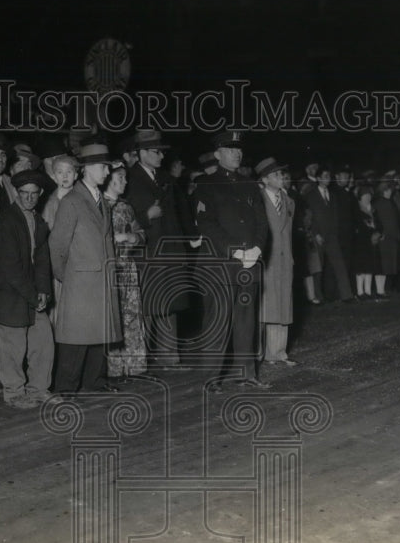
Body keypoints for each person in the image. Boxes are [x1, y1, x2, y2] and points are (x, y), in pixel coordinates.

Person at [192, 131, 270, 390]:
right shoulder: (205, 183)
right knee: (219, 320)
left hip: (250, 263)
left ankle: (246, 374)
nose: (237, 153)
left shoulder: (249, 184)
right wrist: (236, 251)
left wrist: (258, 249)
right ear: (217, 154)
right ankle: (211, 378)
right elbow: (207, 224)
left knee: (247, 319)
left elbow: (261, 222)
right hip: (222, 263)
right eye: (229, 148)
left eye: (239, 149)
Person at [49, 143, 122, 395]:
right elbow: (57, 245)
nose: (107, 172)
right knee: (75, 339)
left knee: (98, 333)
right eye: (103, 167)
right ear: (87, 169)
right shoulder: (72, 201)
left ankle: (95, 381)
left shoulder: (99, 200)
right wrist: (66, 276)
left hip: (101, 277)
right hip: (80, 280)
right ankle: (66, 388)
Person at [0, 170, 54, 409]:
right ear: (16, 193)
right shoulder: (7, 221)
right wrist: (35, 296)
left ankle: (39, 389)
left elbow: (43, 259)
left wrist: (44, 290)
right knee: (13, 347)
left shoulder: (38, 220)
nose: (29, 198)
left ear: (41, 194)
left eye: (34, 194)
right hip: (10, 294)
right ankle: (14, 393)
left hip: (31, 294)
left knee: (43, 341)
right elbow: (11, 268)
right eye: (24, 193)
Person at [124, 129, 190, 367]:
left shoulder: (166, 179)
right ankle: (144, 359)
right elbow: (121, 219)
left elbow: (178, 215)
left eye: (162, 152)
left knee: (170, 302)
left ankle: (170, 356)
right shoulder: (128, 179)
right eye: (155, 152)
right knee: (148, 304)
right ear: (140, 153)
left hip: (170, 250)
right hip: (147, 251)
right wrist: (145, 216)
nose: (161, 156)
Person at [104, 161, 148, 379]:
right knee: (110, 317)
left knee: (130, 315)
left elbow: (141, 233)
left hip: (127, 268)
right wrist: (115, 239)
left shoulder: (125, 206)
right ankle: (111, 369)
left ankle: (133, 366)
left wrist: (133, 237)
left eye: (125, 177)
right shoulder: (98, 205)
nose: (125, 181)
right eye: (120, 177)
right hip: (108, 269)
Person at [255, 157, 296, 366]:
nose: (281, 178)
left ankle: (278, 353)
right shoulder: (257, 200)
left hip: (284, 260)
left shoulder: (289, 201)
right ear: (264, 179)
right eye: (276, 175)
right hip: (266, 260)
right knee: (264, 306)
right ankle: (259, 354)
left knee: (282, 306)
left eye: (282, 174)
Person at [304, 165, 354, 302]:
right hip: (318, 236)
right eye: (325, 177)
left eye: (329, 177)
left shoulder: (332, 195)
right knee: (317, 268)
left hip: (332, 236)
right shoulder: (311, 195)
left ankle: (347, 295)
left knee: (340, 265)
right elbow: (309, 217)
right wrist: (316, 233)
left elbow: (335, 216)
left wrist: (335, 232)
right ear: (318, 178)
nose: (328, 179)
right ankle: (318, 297)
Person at [351, 186, 381, 298]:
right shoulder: (357, 210)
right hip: (361, 241)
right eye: (365, 196)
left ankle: (368, 291)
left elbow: (379, 224)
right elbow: (357, 225)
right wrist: (369, 228)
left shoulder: (373, 209)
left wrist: (378, 232)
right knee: (361, 267)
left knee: (369, 267)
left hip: (372, 242)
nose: (367, 198)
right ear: (360, 197)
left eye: (369, 196)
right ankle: (360, 291)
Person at [372, 180, 399, 298]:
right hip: (386, 237)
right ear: (385, 191)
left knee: (387, 264)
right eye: (389, 190)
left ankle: (384, 289)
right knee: (384, 264)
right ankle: (381, 289)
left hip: (389, 236)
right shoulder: (383, 203)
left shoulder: (386, 202)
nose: (391, 192)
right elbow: (385, 221)